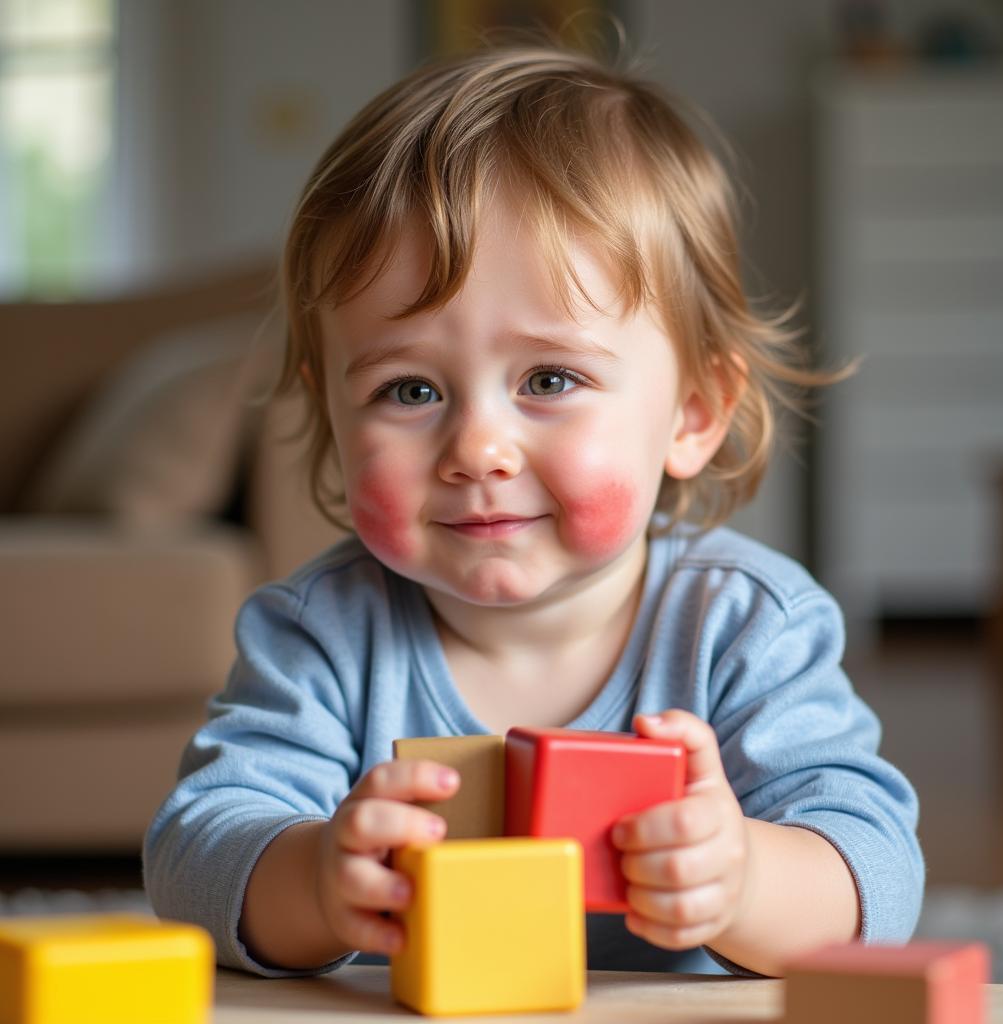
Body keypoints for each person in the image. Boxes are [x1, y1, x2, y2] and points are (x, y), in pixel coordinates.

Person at [144, 39, 923, 981]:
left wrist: (747, 879)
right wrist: (314, 878)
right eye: (409, 391)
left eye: (549, 378)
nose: (478, 448)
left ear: (693, 413)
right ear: (332, 413)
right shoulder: (320, 634)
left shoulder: (746, 625)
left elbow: (874, 865)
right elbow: (193, 850)